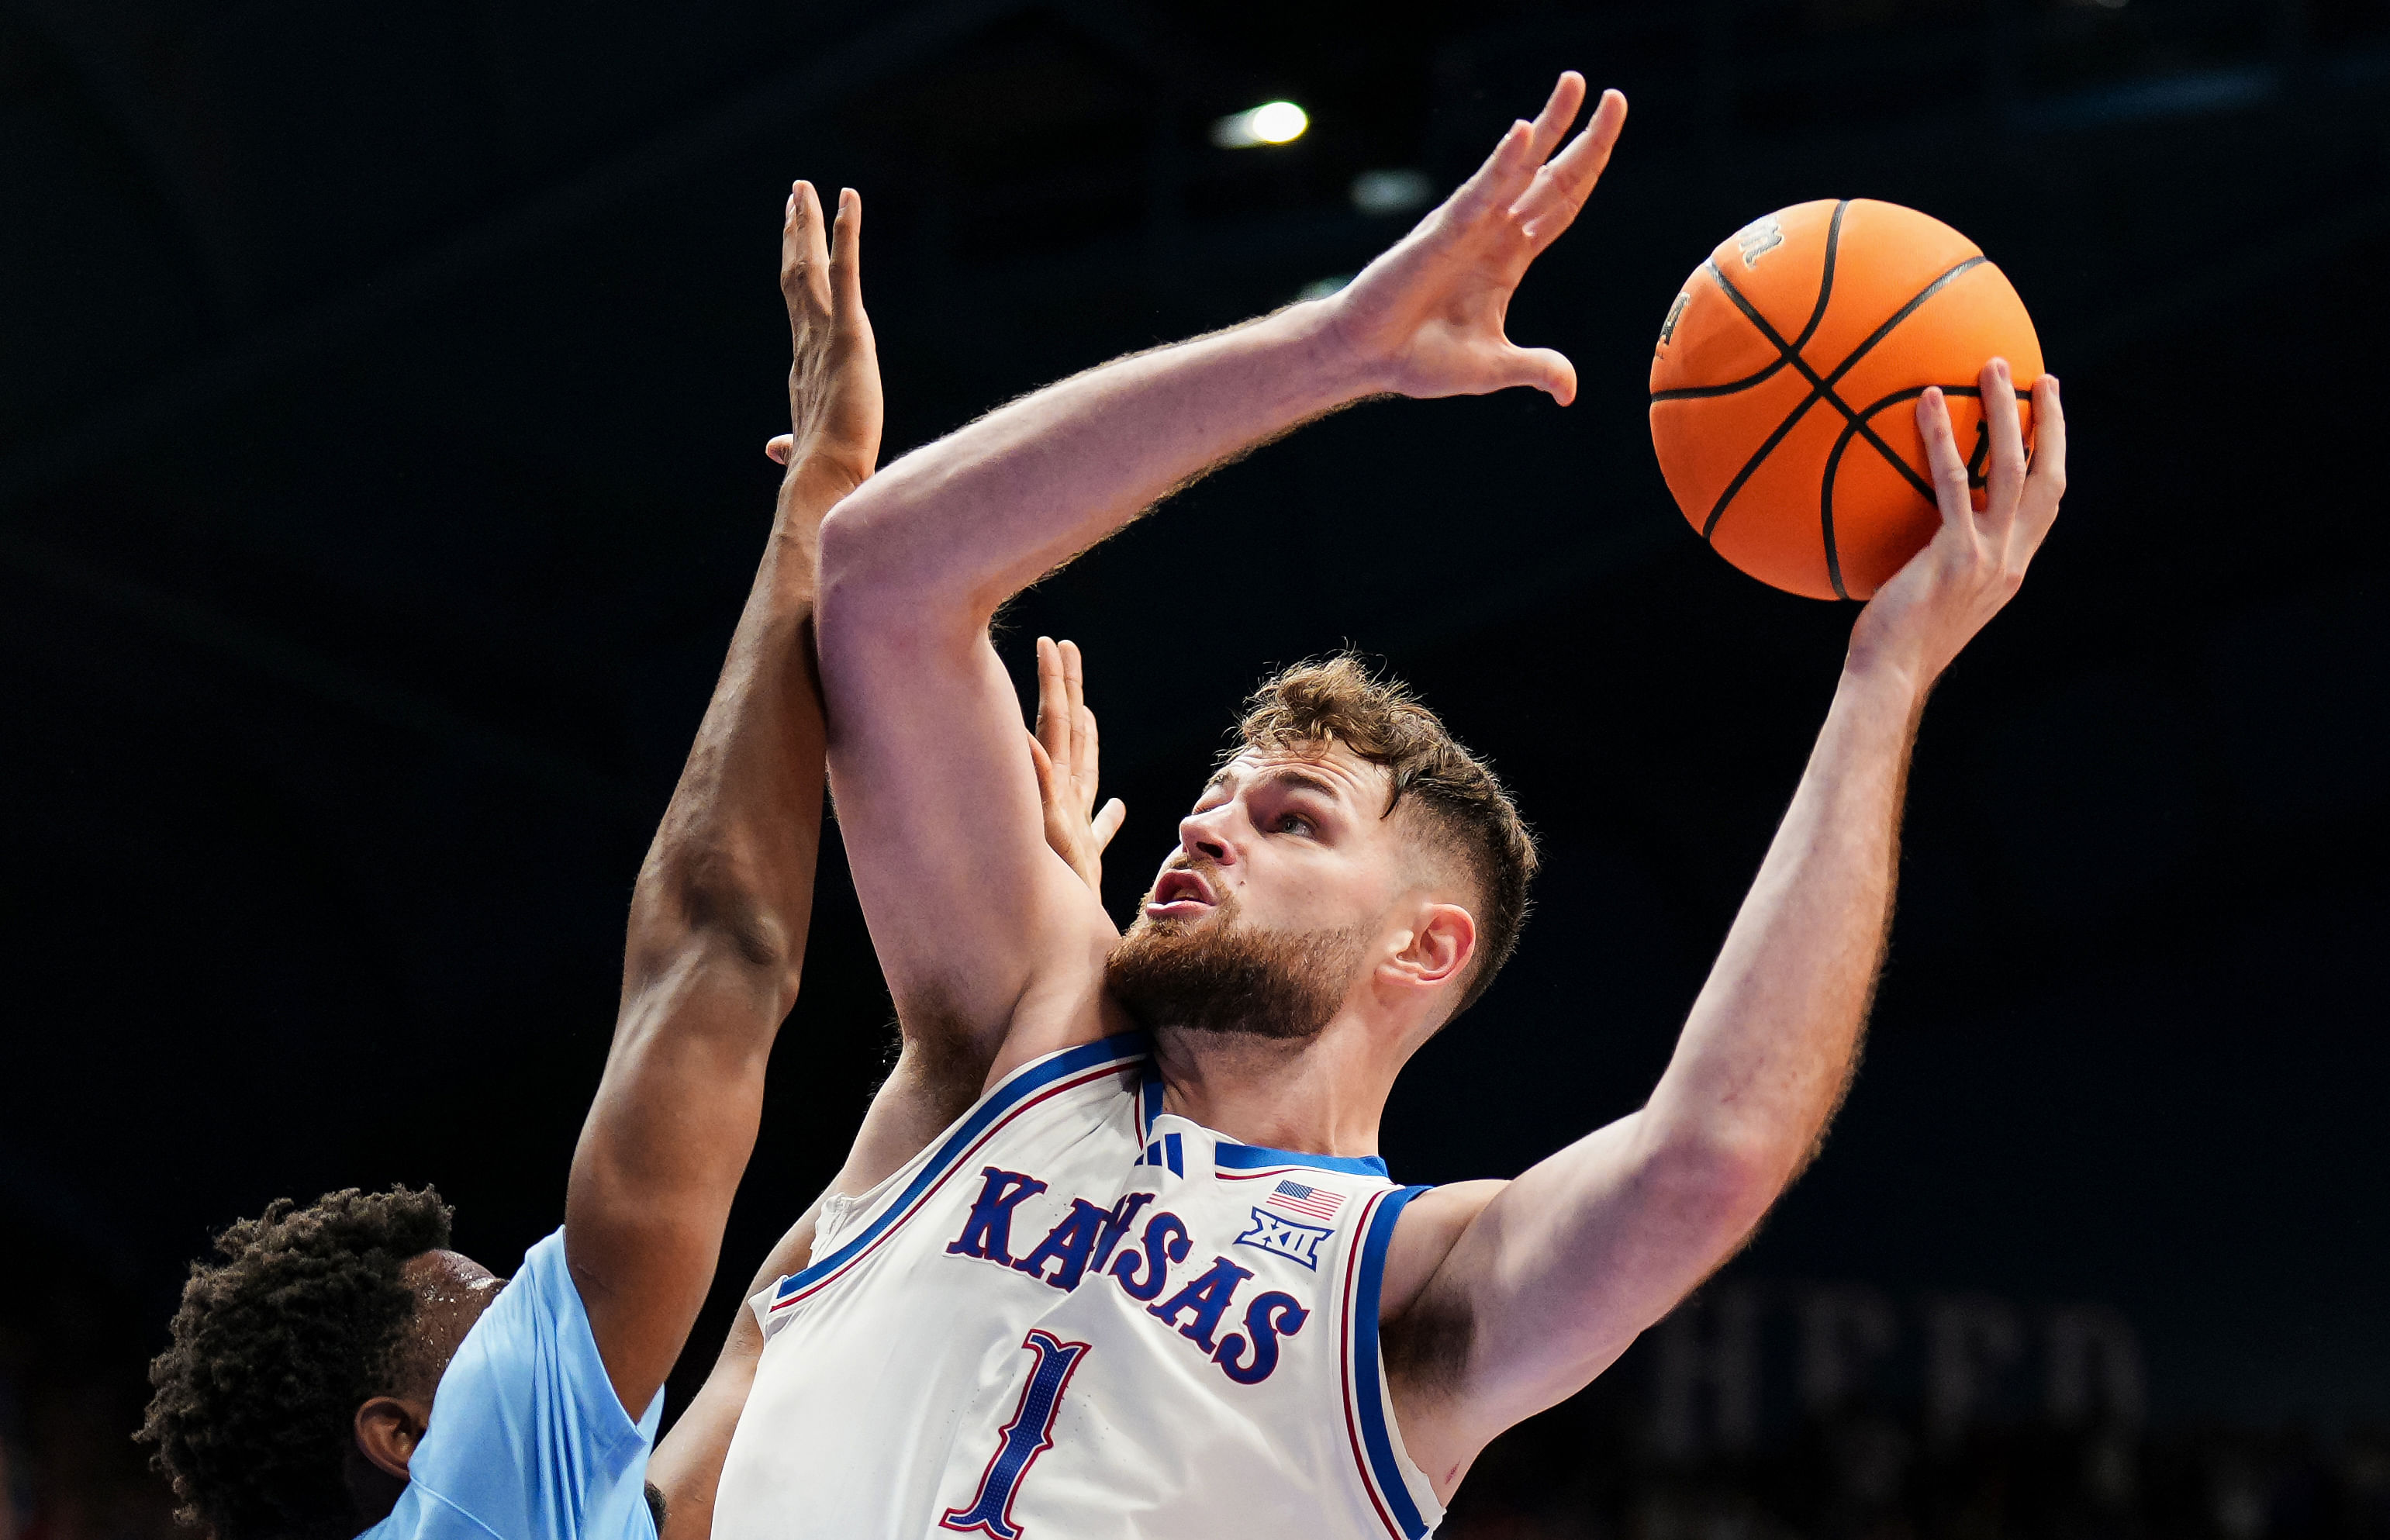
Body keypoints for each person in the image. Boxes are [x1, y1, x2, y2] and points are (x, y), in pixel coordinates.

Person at [713, 71, 2068, 1540]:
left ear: (1422, 947)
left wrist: (1885, 673)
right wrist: (1336, 345)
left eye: (1291, 819)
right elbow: (885, 578)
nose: (1201, 826)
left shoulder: (1403, 1290)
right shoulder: (1018, 1037)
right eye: (1217, 799)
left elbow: (1711, 1154)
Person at [134, 181, 1121, 1540]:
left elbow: (802, 1294)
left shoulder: (558, 1511)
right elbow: (719, 945)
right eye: (484, 1296)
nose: (538, 1290)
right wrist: (823, 493)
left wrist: (1055, 962)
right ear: (401, 1432)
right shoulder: (481, 1485)